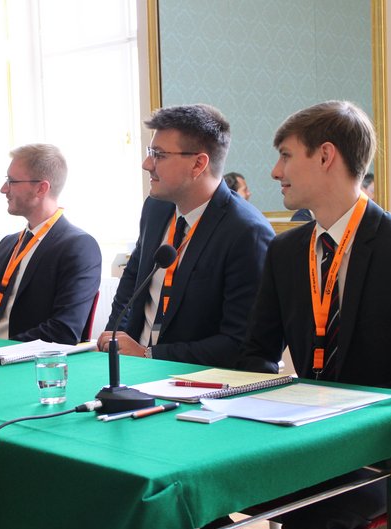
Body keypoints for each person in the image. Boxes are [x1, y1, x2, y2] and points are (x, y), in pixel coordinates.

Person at [238, 101, 391, 529]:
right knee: (200, 491)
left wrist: (350, 409)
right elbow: (256, 353)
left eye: (286, 155)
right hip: (309, 444)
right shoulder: (285, 251)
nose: (275, 171)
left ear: (326, 156)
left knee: (317, 516)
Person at [96, 104, 274, 368]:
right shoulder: (155, 208)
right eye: (150, 153)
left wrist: (149, 354)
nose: (147, 164)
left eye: (159, 155)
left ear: (198, 164)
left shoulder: (247, 232)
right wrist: (113, 341)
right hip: (134, 369)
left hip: (196, 379)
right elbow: (132, 283)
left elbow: (239, 343)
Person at [0, 143, 102, 344]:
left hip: (20, 357)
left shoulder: (78, 247)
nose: (3, 189)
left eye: (11, 181)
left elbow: (64, 330)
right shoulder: (8, 243)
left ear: (41, 188)